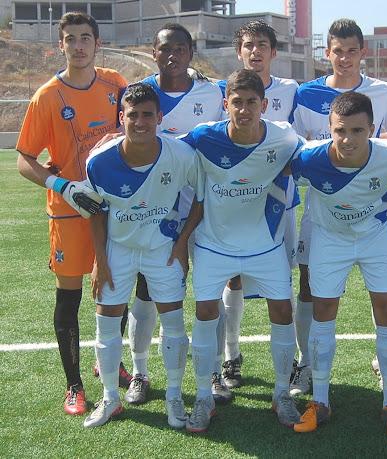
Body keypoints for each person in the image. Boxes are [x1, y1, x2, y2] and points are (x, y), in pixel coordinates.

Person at [174, 69, 302, 433]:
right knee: (204, 313)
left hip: (266, 246)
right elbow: (163, 148)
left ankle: (282, 393)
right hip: (214, 247)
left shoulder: (283, 137)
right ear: (224, 104)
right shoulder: (203, 137)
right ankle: (202, 396)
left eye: (251, 103)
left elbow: (320, 154)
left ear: (264, 104)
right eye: (236, 102)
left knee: (281, 309)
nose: (244, 110)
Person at [15, 11, 128, 416]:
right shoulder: (46, 97)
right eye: (71, 39)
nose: (78, 45)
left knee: (115, 287)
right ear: (60, 45)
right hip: (68, 211)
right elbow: (25, 158)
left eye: (85, 38)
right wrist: (61, 185)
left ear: (97, 43)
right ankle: (75, 386)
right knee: (70, 296)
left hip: (114, 206)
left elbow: (139, 121)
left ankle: (110, 364)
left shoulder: (116, 83)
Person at [289, 92, 387, 438]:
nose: (348, 139)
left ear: (372, 129)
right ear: (328, 128)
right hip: (330, 238)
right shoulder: (309, 159)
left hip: (377, 238)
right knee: (323, 310)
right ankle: (320, 400)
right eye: (340, 130)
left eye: (358, 131)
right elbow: (274, 171)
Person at [289, 18, 387, 395]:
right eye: (338, 51)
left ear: (362, 52)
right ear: (327, 53)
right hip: (323, 210)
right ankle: (307, 364)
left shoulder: (384, 92)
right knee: (309, 287)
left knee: (383, 292)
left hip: (371, 209)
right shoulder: (305, 94)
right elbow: (295, 146)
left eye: (352, 50)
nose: (345, 58)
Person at [119, 22, 225, 407]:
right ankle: (141, 372)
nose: (173, 55)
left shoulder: (213, 93)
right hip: (155, 211)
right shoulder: (142, 95)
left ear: (191, 52)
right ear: (153, 52)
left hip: (205, 205)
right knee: (146, 293)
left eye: (180, 48)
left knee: (210, 289)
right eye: (165, 48)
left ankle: (212, 371)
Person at [83, 83, 195, 429]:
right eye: (133, 115)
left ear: (160, 117)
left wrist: (182, 243)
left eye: (148, 114)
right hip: (119, 248)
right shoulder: (99, 161)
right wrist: (100, 261)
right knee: (105, 323)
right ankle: (109, 399)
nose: (141, 121)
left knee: (174, 325)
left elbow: (201, 199)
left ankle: (174, 398)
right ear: (122, 118)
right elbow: (95, 212)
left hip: (163, 248)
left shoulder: (181, 155)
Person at [216, 20, 300, 396]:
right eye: (248, 45)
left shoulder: (294, 90)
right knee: (231, 277)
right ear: (239, 52)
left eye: (262, 45)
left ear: (273, 52)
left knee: (282, 278)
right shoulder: (223, 90)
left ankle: (294, 361)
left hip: (280, 200)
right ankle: (231, 356)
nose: (255, 51)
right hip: (235, 202)